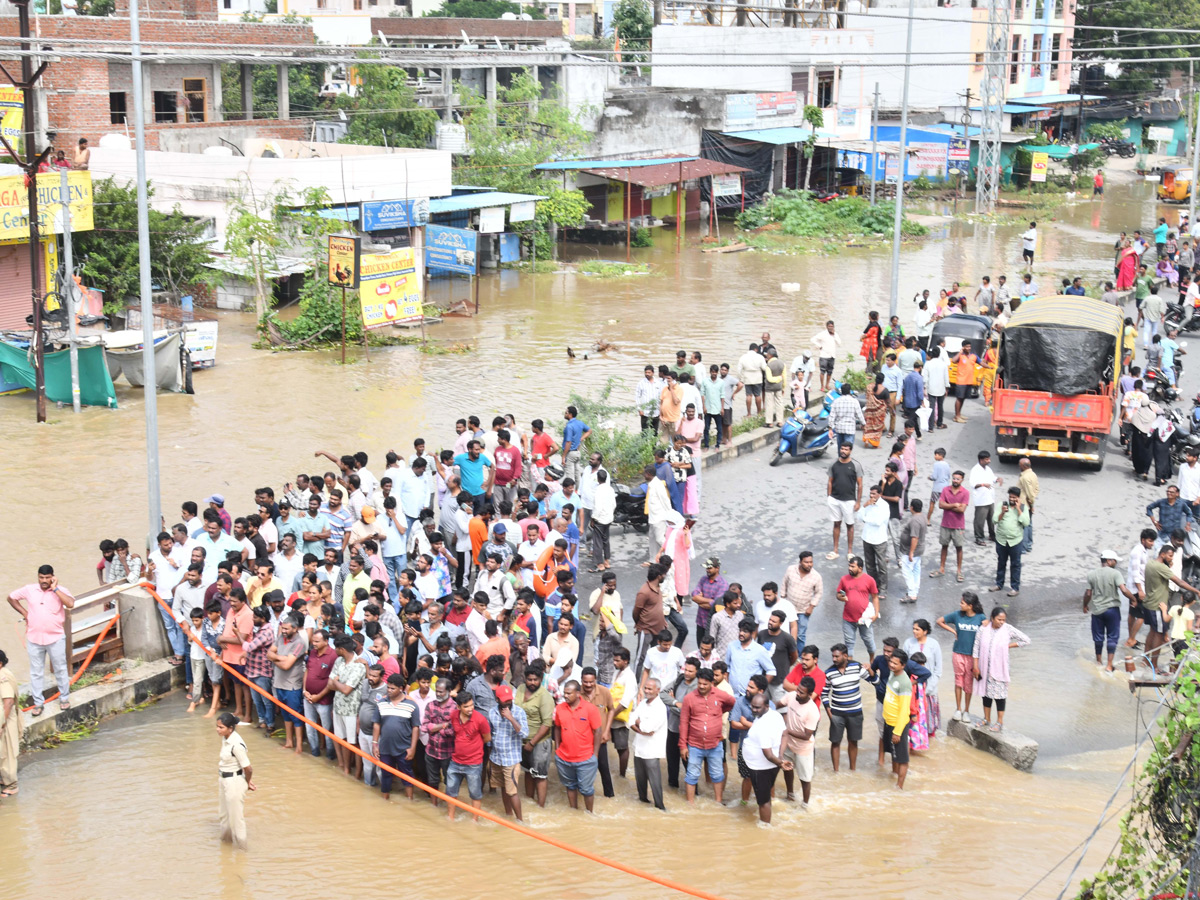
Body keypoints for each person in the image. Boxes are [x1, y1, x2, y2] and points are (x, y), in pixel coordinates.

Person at [6, 565, 75, 716]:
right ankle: (38, 703)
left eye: (47, 578)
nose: (44, 581)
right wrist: (25, 612)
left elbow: (70, 604)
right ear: (38, 577)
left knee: (60, 669)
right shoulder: (30, 589)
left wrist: (55, 588)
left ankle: (64, 698)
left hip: (55, 638)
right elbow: (11, 597)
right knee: (36, 672)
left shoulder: (60, 590)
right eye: (41, 578)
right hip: (34, 638)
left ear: (52, 577)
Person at [972, 608, 1031, 733]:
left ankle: (999, 722)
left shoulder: (1008, 629)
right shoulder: (983, 630)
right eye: (999, 619)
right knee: (986, 695)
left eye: (1003, 620)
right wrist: (976, 667)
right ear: (992, 618)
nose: (1001, 622)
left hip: (999, 668)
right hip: (984, 668)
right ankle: (986, 719)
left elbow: (1026, 640)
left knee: (1000, 696)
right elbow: (976, 648)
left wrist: (1009, 646)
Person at [553, 679, 602, 812]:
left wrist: (595, 755)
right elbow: (557, 727)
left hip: (586, 758)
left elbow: (598, 730)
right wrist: (557, 748)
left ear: (578, 693)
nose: (566, 696)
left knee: (586, 789)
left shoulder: (590, 709)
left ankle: (590, 814)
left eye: (569, 693)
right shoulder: (559, 708)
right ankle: (573, 811)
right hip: (564, 757)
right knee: (570, 786)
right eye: (564, 693)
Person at [372, 673, 421, 801]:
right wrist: (374, 743)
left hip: (404, 748)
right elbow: (376, 724)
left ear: (401, 688)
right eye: (388, 687)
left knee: (407, 774)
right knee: (386, 774)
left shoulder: (412, 705)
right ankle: (385, 799)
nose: (389, 690)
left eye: (392, 688)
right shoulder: (381, 703)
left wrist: (412, 748)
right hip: (385, 748)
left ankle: (410, 799)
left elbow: (416, 727)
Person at [1084, 550, 1135, 673]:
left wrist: (1085, 605)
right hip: (1112, 610)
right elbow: (1123, 590)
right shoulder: (1115, 574)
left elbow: (1088, 593)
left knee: (1098, 638)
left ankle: (1099, 662)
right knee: (1112, 637)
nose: (1116, 563)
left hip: (1097, 611)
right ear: (1108, 561)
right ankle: (1109, 665)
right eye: (1115, 560)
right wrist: (1133, 599)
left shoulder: (1091, 574)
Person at [742, 693, 788, 823]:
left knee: (763, 801)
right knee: (766, 795)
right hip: (772, 765)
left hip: (760, 768)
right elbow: (785, 733)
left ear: (767, 706)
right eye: (752, 706)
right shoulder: (775, 715)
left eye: (757, 707)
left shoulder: (764, 726)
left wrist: (780, 762)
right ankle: (766, 820)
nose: (754, 710)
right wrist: (780, 756)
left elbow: (767, 754)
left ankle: (765, 827)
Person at [486, 684, 529, 820]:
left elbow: (524, 734)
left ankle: (520, 821)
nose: (508, 702)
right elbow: (490, 736)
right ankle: (508, 815)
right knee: (503, 788)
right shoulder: (492, 712)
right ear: (497, 699)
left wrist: (511, 718)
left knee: (512, 792)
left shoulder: (519, 712)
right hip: (496, 757)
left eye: (509, 699)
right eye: (505, 700)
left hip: (511, 759)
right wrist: (489, 756)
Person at [446, 693, 491, 821]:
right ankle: (450, 818)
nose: (470, 708)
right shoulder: (453, 715)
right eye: (466, 706)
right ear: (459, 707)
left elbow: (487, 738)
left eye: (472, 705)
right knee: (450, 792)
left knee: (475, 794)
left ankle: (474, 821)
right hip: (455, 761)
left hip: (473, 763)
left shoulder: (480, 719)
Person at [214, 712, 255, 850]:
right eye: (217, 727)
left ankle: (243, 850)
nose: (218, 730)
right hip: (224, 779)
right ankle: (225, 845)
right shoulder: (226, 738)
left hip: (234, 781)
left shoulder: (236, 745)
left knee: (237, 820)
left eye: (221, 727)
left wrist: (247, 782)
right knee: (224, 816)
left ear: (230, 728)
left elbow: (248, 768)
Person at [822, 643, 864, 772]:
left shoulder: (856, 666)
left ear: (845, 656)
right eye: (833, 657)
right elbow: (824, 694)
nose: (834, 659)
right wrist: (830, 715)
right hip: (837, 714)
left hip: (856, 712)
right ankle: (836, 771)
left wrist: (871, 669)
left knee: (853, 741)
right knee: (835, 742)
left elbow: (874, 680)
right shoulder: (829, 672)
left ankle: (853, 770)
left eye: (837, 656)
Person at [629, 676, 669, 810]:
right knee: (640, 781)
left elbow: (649, 728)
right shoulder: (642, 703)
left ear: (658, 690)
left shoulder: (660, 707)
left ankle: (660, 807)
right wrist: (641, 730)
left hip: (651, 750)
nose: (646, 691)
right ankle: (643, 804)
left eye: (650, 689)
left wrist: (640, 724)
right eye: (645, 688)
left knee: (655, 782)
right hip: (639, 747)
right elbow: (630, 720)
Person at [779, 676, 819, 805]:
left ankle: (805, 804)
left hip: (803, 748)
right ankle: (790, 795)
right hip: (789, 743)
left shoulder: (813, 711)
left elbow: (807, 735)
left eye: (801, 692)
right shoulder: (791, 696)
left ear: (810, 694)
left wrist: (787, 731)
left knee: (805, 778)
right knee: (787, 769)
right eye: (798, 689)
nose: (798, 693)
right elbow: (777, 704)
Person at [881, 649, 916, 789]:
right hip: (888, 721)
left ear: (903, 665)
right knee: (893, 754)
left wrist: (898, 731)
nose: (891, 665)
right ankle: (893, 775)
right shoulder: (892, 674)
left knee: (902, 759)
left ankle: (899, 787)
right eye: (891, 662)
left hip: (897, 725)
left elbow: (904, 710)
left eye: (895, 663)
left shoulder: (905, 682)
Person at [903, 618, 942, 739]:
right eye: (913, 629)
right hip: (913, 687)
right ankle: (913, 743)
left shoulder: (934, 644)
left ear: (925, 631)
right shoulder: (908, 643)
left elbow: (938, 669)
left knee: (929, 722)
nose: (914, 631)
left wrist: (929, 688)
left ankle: (929, 742)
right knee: (912, 720)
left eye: (917, 629)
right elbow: (903, 665)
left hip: (930, 687)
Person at [826, 442, 864, 561]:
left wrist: (858, 502)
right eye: (842, 449)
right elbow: (830, 481)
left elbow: (860, 485)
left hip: (849, 501)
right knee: (836, 524)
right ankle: (835, 550)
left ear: (850, 451)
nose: (843, 451)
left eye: (846, 449)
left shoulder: (855, 465)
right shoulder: (833, 464)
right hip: (834, 499)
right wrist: (829, 497)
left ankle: (850, 552)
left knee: (850, 526)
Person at [836, 556, 879, 658]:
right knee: (849, 644)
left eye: (852, 566)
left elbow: (875, 597)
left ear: (860, 568)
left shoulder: (869, 580)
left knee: (869, 642)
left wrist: (876, 614)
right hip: (848, 618)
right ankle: (850, 665)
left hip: (864, 618)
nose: (850, 568)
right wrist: (841, 597)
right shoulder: (844, 579)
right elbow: (838, 594)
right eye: (849, 566)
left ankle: (872, 661)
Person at [990, 487, 1030, 597]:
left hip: (1015, 541)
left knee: (1015, 564)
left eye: (1014, 497)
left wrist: (1018, 509)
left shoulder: (1023, 507)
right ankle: (999, 584)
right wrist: (1002, 512)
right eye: (1010, 497)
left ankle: (1015, 588)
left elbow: (1026, 523)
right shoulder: (1001, 505)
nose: (1011, 499)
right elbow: (994, 520)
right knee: (1001, 562)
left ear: (1018, 498)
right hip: (1001, 540)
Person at [898, 500, 927, 604]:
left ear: (912, 507)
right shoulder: (923, 516)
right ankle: (914, 592)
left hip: (911, 551)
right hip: (919, 549)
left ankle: (911, 594)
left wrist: (911, 552)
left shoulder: (915, 520)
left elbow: (914, 537)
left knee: (907, 572)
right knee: (915, 570)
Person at [969, 451, 1001, 545]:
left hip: (990, 498)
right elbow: (973, 484)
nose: (989, 461)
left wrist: (997, 479)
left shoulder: (987, 469)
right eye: (987, 459)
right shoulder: (975, 470)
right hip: (981, 500)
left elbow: (992, 478)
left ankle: (992, 535)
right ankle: (979, 537)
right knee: (980, 520)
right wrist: (983, 484)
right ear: (981, 460)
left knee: (991, 519)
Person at [0, 649, 19, 799]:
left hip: (5, 720)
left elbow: (8, 701)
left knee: (6, 752)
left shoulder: (2, 676)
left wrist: (2, 724)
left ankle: (11, 785)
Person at [828, 382, 865, 449]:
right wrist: (863, 424)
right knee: (847, 450)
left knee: (841, 449)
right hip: (850, 430)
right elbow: (859, 415)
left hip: (839, 429)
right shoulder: (854, 401)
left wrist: (830, 428)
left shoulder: (836, 401)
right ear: (849, 391)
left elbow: (832, 416)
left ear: (841, 391)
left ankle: (840, 459)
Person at [812, 319, 841, 393]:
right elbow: (813, 339)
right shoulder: (823, 334)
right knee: (822, 371)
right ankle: (822, 386)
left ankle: (827, 385)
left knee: (830, 371)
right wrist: (819, 346)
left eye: (832, 326)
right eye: (829, 326)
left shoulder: (835, 334)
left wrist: (834, 335)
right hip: (824, 355)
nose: (831, 327)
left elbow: (839, 343)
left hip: (832, 355)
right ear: (827, 326)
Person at [863, 372, 889, 448]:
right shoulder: (885, 390)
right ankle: (875, 444)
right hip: (879, 412)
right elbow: (888, 402)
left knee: (869, 425)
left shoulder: (869, 387)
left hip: (870, 410)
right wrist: (892, 410)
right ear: (883, 380)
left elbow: (867, 397)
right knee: (877, 428)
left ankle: (867, 439)